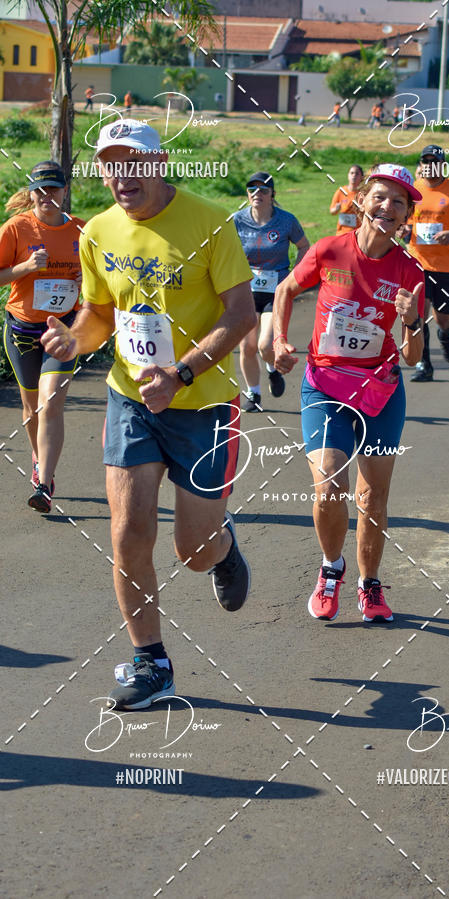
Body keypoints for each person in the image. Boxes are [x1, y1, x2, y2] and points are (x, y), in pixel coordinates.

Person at [42, 119, 256, 710]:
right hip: (131, 399)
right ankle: (151, 662)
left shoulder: (209, 221)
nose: (120, 175)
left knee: (192, 551)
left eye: (132, 162)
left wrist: (182, 372)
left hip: (204, 404)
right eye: (110, 164)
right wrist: (73, 341)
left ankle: (220, 546)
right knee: (129, 532)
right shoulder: (98, 231)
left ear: (158, 165)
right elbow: (98, 315)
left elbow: (241, 316)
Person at [272, 163, 425, 622]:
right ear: (362, 201)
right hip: (325, 384)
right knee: (329, 484)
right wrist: (279, 339)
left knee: (373, 497)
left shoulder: (408, 270)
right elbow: (284, 290)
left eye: (398, 203)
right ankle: (330, 569)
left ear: (404, 218)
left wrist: (411, 320)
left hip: (379, 391)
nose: (388, 207)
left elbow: (414, 356)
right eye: (380, 197)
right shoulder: (329, 249)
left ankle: (369, 584)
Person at [0, 161, 84, 513]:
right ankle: (38, 460)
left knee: (51, 402)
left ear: (65, 192)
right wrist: (26, 268)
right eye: (40, 189)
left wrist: (86, 285)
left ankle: (44, 483)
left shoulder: (83, 230)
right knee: (32, 408)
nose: (46, 195)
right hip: (21, 330)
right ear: (31, 192)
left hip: (63, 329)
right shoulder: (17, 228)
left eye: (54, 189)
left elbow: (104, 276)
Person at [233, 171, 309, 412]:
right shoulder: (236, 220)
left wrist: (294, 276)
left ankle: (272, 369)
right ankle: (253, 394)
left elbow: (304, 246)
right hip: (245, 289)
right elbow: (221, 249)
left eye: (263, 190)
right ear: (247, 194)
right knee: (246, 347)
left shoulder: (286, 221)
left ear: (272, 195)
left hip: (275, 290)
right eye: (252, 189)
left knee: (265, 345)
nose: (257, 194)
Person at [403, 145, 449, 382]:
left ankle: (445, 336)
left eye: (433, 161)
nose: (428, 165)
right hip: (417, 261)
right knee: (418, 314)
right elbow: (406, 219)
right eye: (424, 161)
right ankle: (424, 364)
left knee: (443, 318)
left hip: (447, 265)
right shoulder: (413, 189)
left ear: (442, 165)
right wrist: (404, 228)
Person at [329, 164, 364, 236]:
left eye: (357, 174)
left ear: (361, 177)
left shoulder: (363, 194)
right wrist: (336, 209)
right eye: (352, 173)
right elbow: (332, 211)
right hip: (341, 233)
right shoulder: (341, 191)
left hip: (357, 233)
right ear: (348, 175)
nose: (354, 175)